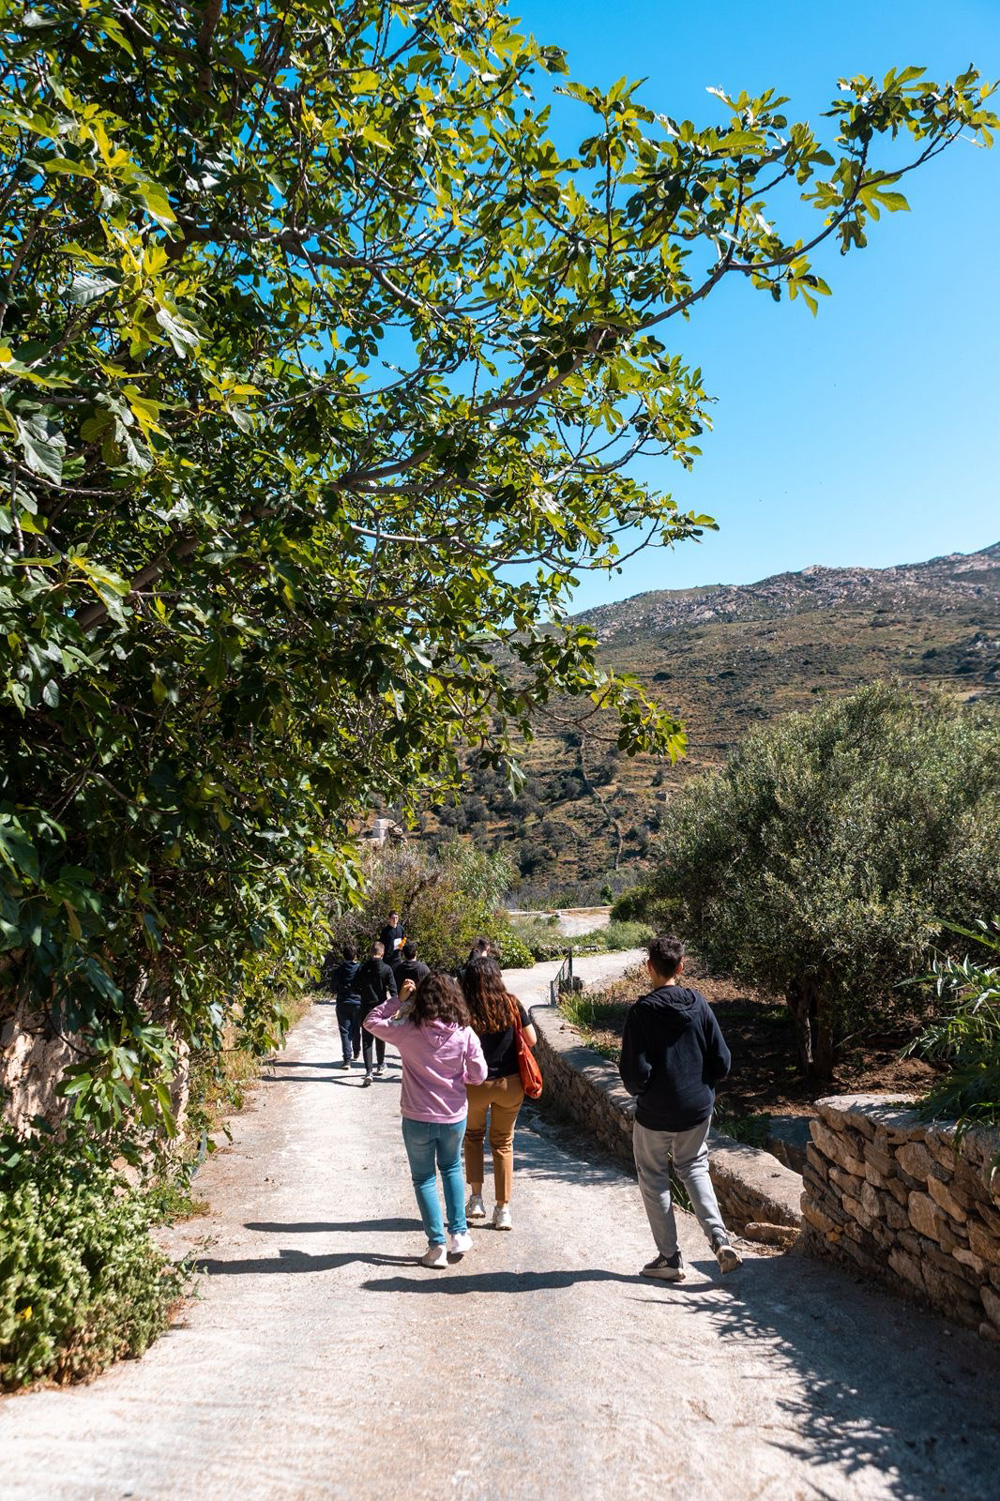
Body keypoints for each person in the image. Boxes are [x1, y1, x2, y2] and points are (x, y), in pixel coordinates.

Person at [618, 935, 742, 1281]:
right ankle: (719, 1238)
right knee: (694, 1166)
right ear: (681, 967)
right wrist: (704, 1088)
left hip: (655, 1113)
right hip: (696, 1109)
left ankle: (670, 1259)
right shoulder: (698, 1003)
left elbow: (633, 1073)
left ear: (649, 968)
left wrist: (645, 1090)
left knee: (654, 1177)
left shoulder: (641, 1012)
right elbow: (722, 1061)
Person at [363, 972, 487, 1267]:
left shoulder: (407, 1029)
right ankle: (459, 1233)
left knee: (424, 1179)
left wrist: (397, 1000)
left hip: (417, 1116)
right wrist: (462, 1077)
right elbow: (480, 1075)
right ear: (454, 999)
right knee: (451, 1168)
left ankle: (437, 1247)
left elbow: (370, 1022)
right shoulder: (464, 1032)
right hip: (453, 1116)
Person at [458, 956, 536, 1231]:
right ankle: (502, 1210)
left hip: (474, 1085)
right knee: (503, 1144)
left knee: (474, 1137)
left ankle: (476, 1198)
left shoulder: (464, 1007)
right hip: (510, 1084)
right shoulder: (513, 1003)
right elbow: (532, 1040)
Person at [357, 940, 397, 1085]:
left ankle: (368, 1071)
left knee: (366, 1040)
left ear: (370, 952)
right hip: (381, 1007)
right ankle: (380, 1064)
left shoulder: (363, 968)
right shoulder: (386, 969)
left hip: (366, 1006)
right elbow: (393, 990)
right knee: (381, 1036)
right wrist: (395, 1007)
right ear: (383, 953)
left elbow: (355, 986)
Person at [332, 943, 363, 1069]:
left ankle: (347, 1060)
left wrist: (342, 988)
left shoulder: (338, 970)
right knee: (356, 1029)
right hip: (357, 1003)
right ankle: (356, 1051)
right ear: (355, 956)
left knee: (345, 1031)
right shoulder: (360, 969)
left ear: (343, 956)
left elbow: (332, 987)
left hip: (343, 1003)